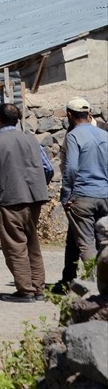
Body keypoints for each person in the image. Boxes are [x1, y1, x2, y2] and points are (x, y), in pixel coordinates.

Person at [0, 103, 53, 301]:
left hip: (10, 199)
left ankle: (26, 290)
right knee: (32, 243)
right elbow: (48, 168)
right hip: (34, 198)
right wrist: (37, 186)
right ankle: (38, 289)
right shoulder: (31, 139)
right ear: (18, 120)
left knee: (14, 245)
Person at [56, 97, 108, 291]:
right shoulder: (104, 134)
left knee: (86, 243)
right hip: (105, 195)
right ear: (89, 113)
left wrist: (67, 195)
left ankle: (95, 286)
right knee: (104, 241)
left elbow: (70, 169)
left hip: (83, 196)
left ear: (69, 115)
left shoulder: (73, 136)